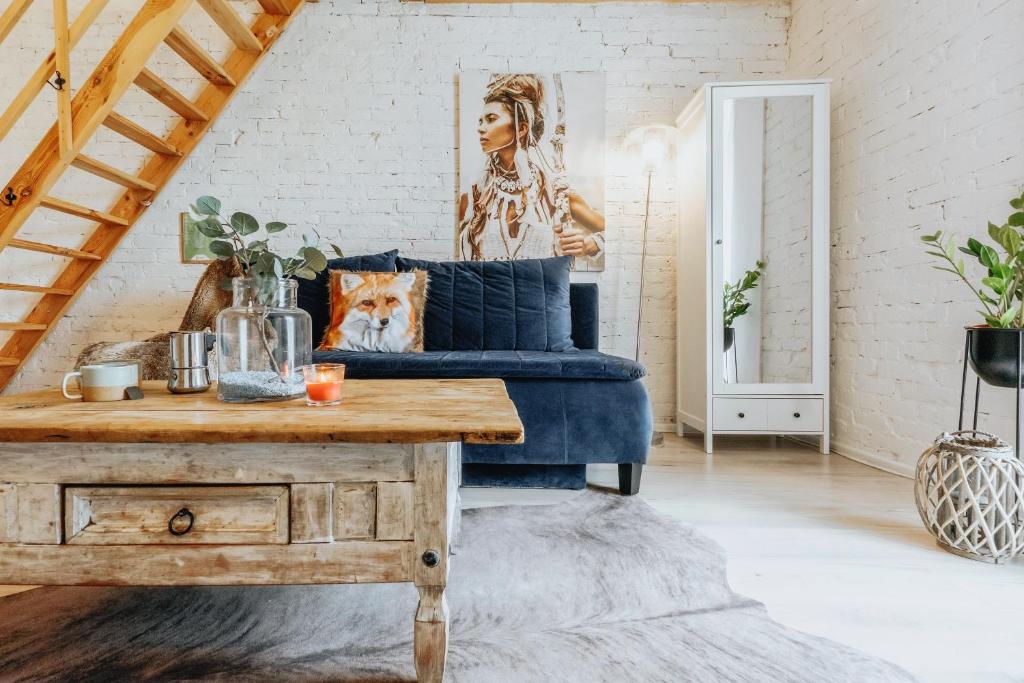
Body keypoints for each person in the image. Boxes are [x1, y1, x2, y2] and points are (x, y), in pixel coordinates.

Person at [458, 74, 605, 265]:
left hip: (543, 291)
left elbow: (616, 233)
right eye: (480, 121)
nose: (481, 128)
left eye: (491, 119)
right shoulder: (474, 195)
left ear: (522, 128)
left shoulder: (555, 193)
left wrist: (589, 244)